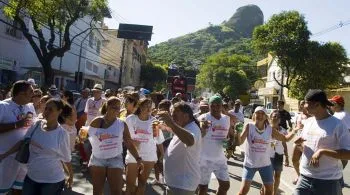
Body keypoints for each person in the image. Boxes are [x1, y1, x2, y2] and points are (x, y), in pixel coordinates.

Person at [0, 99, 73, 194]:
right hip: (31, 177)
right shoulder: (36, 125)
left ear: (60, 111)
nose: (46, 112)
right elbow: (23, 142)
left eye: (50, 109)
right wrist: (4, 155)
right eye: (46, 108)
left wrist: (71, 176)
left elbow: (66, 159)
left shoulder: (62, 134)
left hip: (51, 181)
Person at [294, 89, 350, 195]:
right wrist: (300, 145)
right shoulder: (308, 122)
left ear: (317, 104)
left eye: (306, 103)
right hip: (305, 178)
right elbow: (309, 148)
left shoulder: (338, 125)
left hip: (328, 182)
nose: (304, 106)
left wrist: (323, 151)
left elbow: (348, 154)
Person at [84, 97, 144, 195]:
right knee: (97, 191)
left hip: (115, 158)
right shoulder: (97, 121)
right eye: (113, 107)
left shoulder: (121, 124)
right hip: (98, 159)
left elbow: (128, 142)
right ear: (107, 107)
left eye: (118, 108)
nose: (116, 110)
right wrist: (81, 138)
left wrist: (138, 158)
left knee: (116, 192)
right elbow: (86, 137)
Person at [236, 106, 298, 195]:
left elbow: (285, 139)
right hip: (250, 164)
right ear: (254, 115)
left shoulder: (270, 129)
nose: (260, 115)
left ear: (265, 116)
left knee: (269, 191)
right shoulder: (249, 126)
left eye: (262, 114)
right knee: (243, 191)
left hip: (265, 165)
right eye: (258, 113)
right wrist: (237, 133)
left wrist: (295, 130)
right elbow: (239, 142)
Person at [157, 102, 202, 195]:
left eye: (175, 116)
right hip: (176, 184)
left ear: (186, 116)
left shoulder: (193, 128)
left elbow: (190, 141)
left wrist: (171, 124)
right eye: (171, 116)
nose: (173, 119)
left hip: (182, 185)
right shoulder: (184, 127)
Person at [0, 80, 35, 195]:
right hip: (5, 157)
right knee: (2, 190)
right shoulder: (3, 106)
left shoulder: (29, 106)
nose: (33, 95)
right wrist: (16, 125)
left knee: (19, 188)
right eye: (31, 92)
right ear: (21, 94)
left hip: (23, 156)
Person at [125, 98, 165, 195]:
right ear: (139, 106)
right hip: (133, 155)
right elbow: (124, 136)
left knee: (142, 183)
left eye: (149, 107)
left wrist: (162, 154)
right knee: (130, 185)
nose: (147, 109)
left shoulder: (154, 122)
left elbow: (158, 140)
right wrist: (132, 141)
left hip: (149, 156)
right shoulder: (131, 119)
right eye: (145, 106)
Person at [197, 95, 234, 195]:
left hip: (220, 159)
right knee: (203, 189)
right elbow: (197, 133)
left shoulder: (226, 119)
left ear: (221, 106)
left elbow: (231, 135)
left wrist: (230, 141)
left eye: (218, 105)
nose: (215, 108)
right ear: (209, 106)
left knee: (225, 185)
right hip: (204, 159)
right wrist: (202, 128)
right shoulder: (203, 118)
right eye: (212, 105)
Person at [269, 110, 289, 195]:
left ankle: (274, 192)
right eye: (274, 116)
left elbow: (284, 144)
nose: (276, 118)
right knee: (268, 177)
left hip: (279, 156)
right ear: (270, 118)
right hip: (268, 156)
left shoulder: (283, 131)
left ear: (280, 120)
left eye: (278, 117)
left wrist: (287, 157)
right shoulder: (267, 129)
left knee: (277, 176)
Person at [292, 100, 311, 185]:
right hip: (298, 141)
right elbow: (296, 127)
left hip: (307, 142)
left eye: (304, 104)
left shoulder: (311, 117)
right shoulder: (298, 116)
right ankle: (299, 175)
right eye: (301, 104)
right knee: (294, 160)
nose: (302, 105)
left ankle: (304, 178)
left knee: (305, 162)